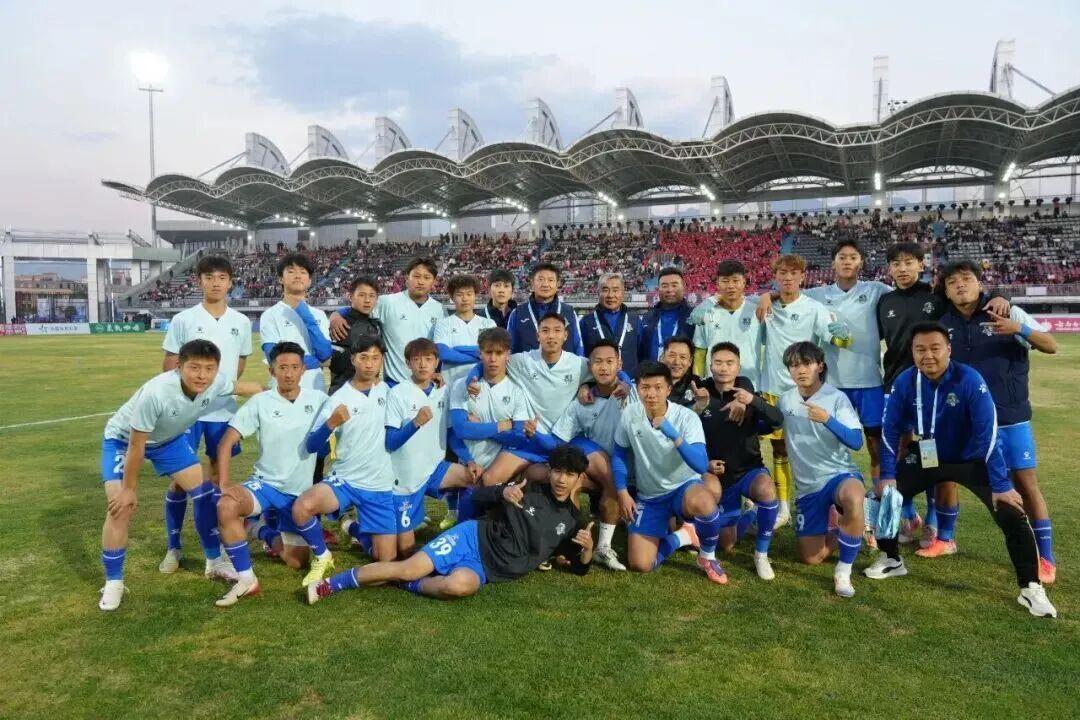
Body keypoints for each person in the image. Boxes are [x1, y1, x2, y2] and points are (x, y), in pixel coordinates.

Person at [864, 322, 1057, 619]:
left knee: (1010, 509)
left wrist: (1000, 485)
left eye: (935, 348)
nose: (928, 355)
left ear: (949, 349)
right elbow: (890, 431)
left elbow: (988, 434)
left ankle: (1030, 587)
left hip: (972, 458)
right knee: (884, 497)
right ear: (912, 352)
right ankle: (891, 559)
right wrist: (888, 475)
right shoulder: (905, 381)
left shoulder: (969, 379)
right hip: (928, 455)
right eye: (920, 349)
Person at [306, 444, 595, 604]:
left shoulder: (574, 520)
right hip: (473, 538)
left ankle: (407, 584)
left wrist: (588, 550)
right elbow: (476, 495)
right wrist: (502, 492)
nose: (561, 479)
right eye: (557, 471)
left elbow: (579, 567)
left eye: (569, 475)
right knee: (407, 567)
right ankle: (329, 585)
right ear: (550, 472)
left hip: (487, 569)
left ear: (579, 478)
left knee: (459, 587)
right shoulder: (528, 488)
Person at [97, 339, 261, 611]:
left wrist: (277, 391)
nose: (202, 375)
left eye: (209, 368)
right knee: (120, 507)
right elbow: (137, 445)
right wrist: (128, 490)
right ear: (178, 366)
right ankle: (114, 582)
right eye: (194, 367)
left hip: (168, 441)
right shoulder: (157, 392)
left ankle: (214, 561)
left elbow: (242, 387)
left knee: (206, 494)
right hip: (123, 440)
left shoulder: (215, 383)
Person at [876, 243, 1011, 546]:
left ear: (921, 264)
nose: (902, 268)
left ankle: (933, 522)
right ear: (889, 269)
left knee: (937, 453)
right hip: (898, 385)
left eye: (909, 262)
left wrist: (1002, 294)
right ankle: (908, 515)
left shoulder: (935, 296)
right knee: (900, 451)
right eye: (896, 263)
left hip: (935, 386)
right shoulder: (884, 300)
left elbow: (969, 296)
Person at [937, 260, 1059, 583]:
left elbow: (1051, 345)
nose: (960, 285)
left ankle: (1045, 558)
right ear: (945, 291)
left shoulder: (1007, 311)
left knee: (1025, 485)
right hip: (965, 423)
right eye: (952, 282)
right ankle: (944, 538)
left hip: (1009, 418)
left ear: (980, 283)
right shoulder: (943, 323)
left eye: (966, 278)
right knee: (945, 476)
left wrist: (1018, 329)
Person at [213, 342, 331, 607]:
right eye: (283, 367)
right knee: (226, 506)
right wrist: (224, 482)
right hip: (264, 485)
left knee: (296, 561)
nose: (288, 373)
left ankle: (258, 529)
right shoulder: (260, 402)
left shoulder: (319, 400)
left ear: (303, 370)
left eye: (294, 367)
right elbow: (227, 441)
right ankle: (247, 579)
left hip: (299, 494)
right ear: (272, 370)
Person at [158, 254, 252, 575]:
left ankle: (214, 547)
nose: (216, 283)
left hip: (222, 412)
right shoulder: (184, 319)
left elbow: (239, 365)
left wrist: (219, 389)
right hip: (187, 412)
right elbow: (169, 364)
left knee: (214, 479)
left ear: (230, 282)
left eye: (222, 277)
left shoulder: (241, 322)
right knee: (181, 480)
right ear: (199, 281)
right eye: (209, 277)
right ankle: (174, 547)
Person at [284, 336, 396, 589]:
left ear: (382, 361)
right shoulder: (338, 398)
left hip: (379, 486)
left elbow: (417, 390)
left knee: (384, 566)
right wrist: (331, 423)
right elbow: (312, 446)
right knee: (302, 508)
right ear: (353, 359)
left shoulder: (388, 392)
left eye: (375, 358)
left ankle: (349, 526)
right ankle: (322, 556)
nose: (369, 364)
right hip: (345, 480)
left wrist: (438, 379)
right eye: (364, 358)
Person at [758, 254, 852, 528]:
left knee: (809, 450)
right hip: (773, 391)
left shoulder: (814, 308)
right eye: (782, 273)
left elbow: (838, 340)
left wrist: (844, 336)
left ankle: (822, 502)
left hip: (804, 393)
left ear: (802, 276)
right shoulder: (767, 306)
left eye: (793, 273)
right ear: (776, 276)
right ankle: (784, 509)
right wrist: (765, 296)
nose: (787, 278)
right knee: (779, 450)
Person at [612, 361, 727, 584]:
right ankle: (683, 536)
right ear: (637, 388)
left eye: (658, 387)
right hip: (650, 496)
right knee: (640, 564)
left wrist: (672, 433)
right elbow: (619, 453)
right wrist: (622, 491)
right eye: (645, 387)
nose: (651, 394)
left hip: (683, 487)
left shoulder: (686, 417)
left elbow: (700, 464)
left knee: (705, 501)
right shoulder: (629, 414)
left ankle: (707, 557)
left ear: (668, 389)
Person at [777, 342, 866, 597]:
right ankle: (851, 526)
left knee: (853, 495)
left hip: (839, 474)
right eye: (794, 365)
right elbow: (766, 425)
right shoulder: (786, 400)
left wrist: (827, 419)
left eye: (807, 364)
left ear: (820, 366)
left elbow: (856, 441)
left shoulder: (836, 398)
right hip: (807, 487)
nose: (801, 370)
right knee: (811, 558)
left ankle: (843, 571)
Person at [533, 339, 630, 571]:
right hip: (597, 468)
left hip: (627, 471)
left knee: (613, 477)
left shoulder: (631, 393)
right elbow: (559, 439)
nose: (604, 367)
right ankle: (566, 544)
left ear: (619, 364)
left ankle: (602, 547)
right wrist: (531, 433)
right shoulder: (581, 402)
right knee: (571, 482)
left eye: (610, 361)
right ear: (589, 365)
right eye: (598, 362)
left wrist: (627, 382)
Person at [695, 342, 783, 580]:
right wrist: (697, 407)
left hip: (748, 470)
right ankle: (750, 515)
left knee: (766, 490)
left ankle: (761, 555)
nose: (724, 368)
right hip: (717, 476)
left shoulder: (747, 392)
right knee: (727, 544)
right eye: (718, 363)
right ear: (710, 366)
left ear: (738, 367)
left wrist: (752, 400)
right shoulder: (702, 392)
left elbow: (777, 420)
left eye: (729, 363)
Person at [384, 338, 478, 553]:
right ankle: (355, 529)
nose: (423, 365)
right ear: (408, 363)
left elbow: (451, 432)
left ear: (436, 362)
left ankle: (464, 532)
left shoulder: (443, 391)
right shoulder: (398, 393)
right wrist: (415, 423)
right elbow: (391, 442)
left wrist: (469, 460)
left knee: (476, 478)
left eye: (428, 359)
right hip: (406, 478)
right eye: (416, 359)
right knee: (404, 551)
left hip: (435, 468)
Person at [329, 257, 446, 385]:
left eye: (427, 277)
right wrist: (336, 315)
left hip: (427, 383)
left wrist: (437, 371)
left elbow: (440, 347)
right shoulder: (388, 302)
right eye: (416, 276)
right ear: (407, 278)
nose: (421, 282)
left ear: (434, 281)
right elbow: (357, 308)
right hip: (395, 382)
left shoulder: (440, 309)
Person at [449, 328, 532, 484]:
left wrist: (480, 426)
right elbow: (459, 430)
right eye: (488, 352)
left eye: (499, 353)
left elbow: (518, 439)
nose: (493, 359)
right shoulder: (461, 386)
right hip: (468, 469)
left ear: (508, 355)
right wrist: (502, 426)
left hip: (502, 474)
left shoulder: (517, 392)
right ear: (480, 354)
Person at [258, 252, 332, 391]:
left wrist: (305, 314)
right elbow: (274, 358)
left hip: (315, 390)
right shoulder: (270, 315)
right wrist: (315, 361)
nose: (297, 276)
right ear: (281, 279)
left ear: (309, 281)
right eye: (291, 271)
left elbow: (325, 353)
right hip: (282, 391)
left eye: (303, 272)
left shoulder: (319, 314)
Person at [689, 260, 763, 387]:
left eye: (735, 280)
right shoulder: (706, 312)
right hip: (714, 387)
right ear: (717, 284)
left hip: (751, 385)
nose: (730, 286)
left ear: (744, 282)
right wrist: (698, 383)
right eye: (725, 281)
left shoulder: (757, 310)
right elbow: (700, 352)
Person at [433, 274, 497, 391]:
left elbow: (493, 354)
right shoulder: (443, 323)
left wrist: (456, 349)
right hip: (450, 387)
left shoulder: (488, 324)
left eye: (469, 294)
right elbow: (444, 354)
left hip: (481, 386)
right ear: (452, 297)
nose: (465, 298)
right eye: (459, 294)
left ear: (475, 295)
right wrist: (481, 356)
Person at [505, 262, 583, 355]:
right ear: (532, 283)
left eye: (551, 280)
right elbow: (509, 348)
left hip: (563, 364)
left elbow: (578, 346)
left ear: (557, 284)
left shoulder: (569, 312)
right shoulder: (518, 313)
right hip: (526, 364)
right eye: (541, 279)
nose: (545, 284)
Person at [579, 272, 639, 378]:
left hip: (629, 383)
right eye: (605, 290)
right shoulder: (586, 322)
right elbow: (582, 357)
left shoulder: (635, 320)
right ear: (598, 293)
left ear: (623, 293)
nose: (610, 295)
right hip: (597, 383)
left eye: (615, 290)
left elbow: (642, 353)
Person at [328, 275, 381, 394]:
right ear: (351, 297)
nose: (367, 300)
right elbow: (337, 365)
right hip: (345, 391)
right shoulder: (341, 324)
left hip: (369, 391)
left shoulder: (375, 324)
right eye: (361, 295)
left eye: (372, 296)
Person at [637, 267, 694, 363]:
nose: (669, 290)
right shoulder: (647, 318)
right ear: (658, 288)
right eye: (664, 286)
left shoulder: (694, 318)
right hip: (651, 372)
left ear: (683, 286)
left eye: (674, 285)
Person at [660, 335, 702, 407]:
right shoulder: (649, 382)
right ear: (663, 357)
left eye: (683, 357)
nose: (677, 362)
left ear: (690, 361)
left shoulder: (699, 384)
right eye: (672, 355)